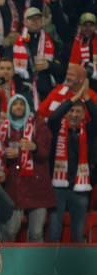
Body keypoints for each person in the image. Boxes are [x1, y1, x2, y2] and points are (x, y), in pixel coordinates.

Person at [0, 95, 55, 242]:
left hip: (37, 186)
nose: (18, 107)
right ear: (10, 108)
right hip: (13, 188)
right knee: (10, 231)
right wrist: (6, 156)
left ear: (27, 107)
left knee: (36, 233)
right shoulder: (3, 128)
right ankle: (5, 264)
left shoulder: (39, 125)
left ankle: (37, 265)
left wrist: (33, 147)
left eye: (21, 104)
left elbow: (45, 153)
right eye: (15, 104)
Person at [48, 81, 96, 242]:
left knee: (78, 232)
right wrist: (73, 98)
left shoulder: (88, 131)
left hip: (80, 188)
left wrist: (87, 97)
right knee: (55, 230)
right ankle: (52, 266)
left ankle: (77, 266)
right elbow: (53, 116)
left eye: (78, 111)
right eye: (71, 111)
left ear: (83, 115)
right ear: (66, 113)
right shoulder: (57, 129)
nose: (74, 114)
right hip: (58, 187)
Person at [12, 7, 62, 109]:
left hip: (46, 91)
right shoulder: (15, 42)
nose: (35, 22)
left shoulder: (51, 41)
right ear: (25, 22)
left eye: (38, 18)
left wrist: (49, 65)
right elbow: (10, 67)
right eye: (32, 19)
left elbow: (62, 69)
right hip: (24, 91)